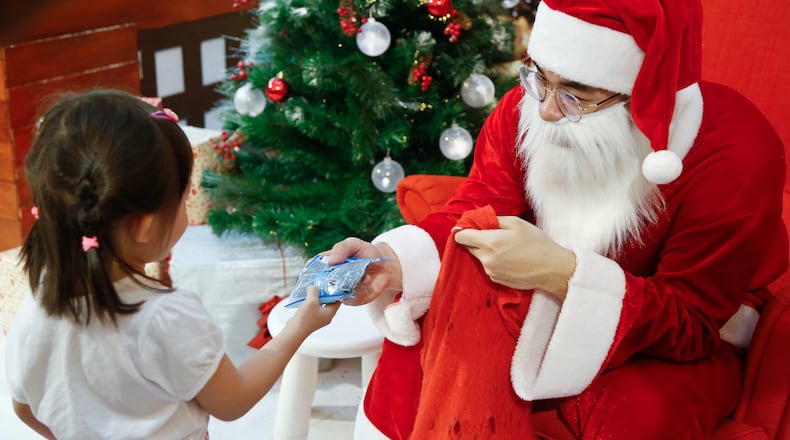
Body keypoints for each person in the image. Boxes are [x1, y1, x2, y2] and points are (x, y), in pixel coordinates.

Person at [327, 0, 788, 438]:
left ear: (641, 96)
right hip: (543, 299)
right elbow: (476, 208)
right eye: (539, 77)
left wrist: (564, 274)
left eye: (576, 94)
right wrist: (389, 260)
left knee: (635, 412)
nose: (545, 111)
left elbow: (691, 324)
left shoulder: (735, 153)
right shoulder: (527, 107)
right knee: (420, 358)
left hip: (676, 336)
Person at [4, 89, 340, 439]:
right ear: (144, 226)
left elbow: (24, 408)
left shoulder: (34, 308)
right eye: (182, 197)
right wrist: (300, 326)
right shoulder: (165, 317)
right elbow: (233, 400)